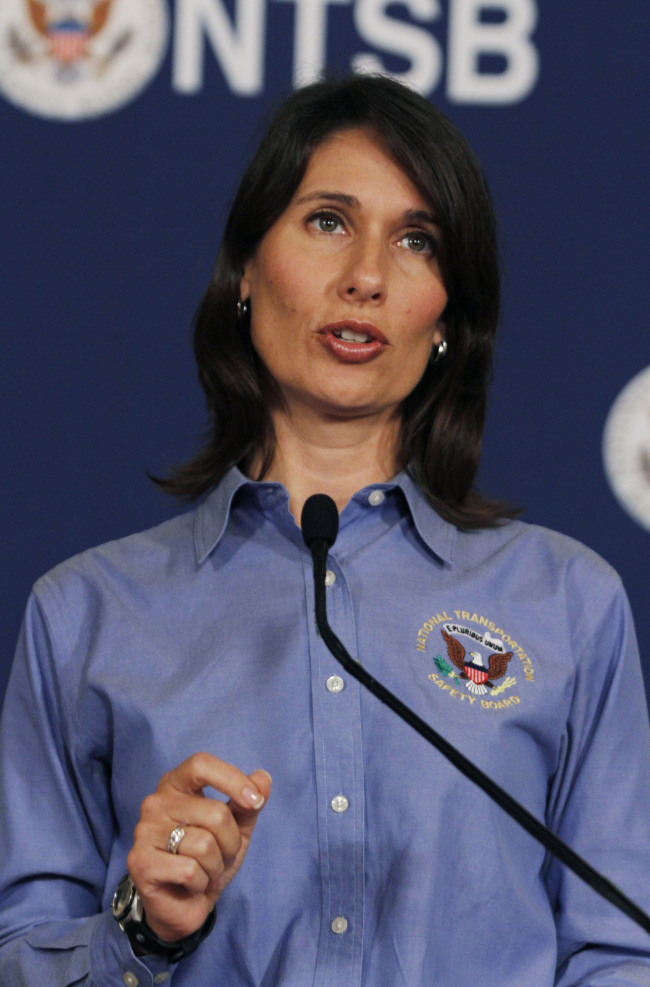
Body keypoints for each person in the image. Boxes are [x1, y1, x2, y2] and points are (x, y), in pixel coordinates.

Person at [1, 75, 649, 986]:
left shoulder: (568, 603)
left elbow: (622, 953)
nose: (367, 276)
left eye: (416, 240)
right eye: (328, 221)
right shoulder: (86, 616)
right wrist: (141, 931)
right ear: (244, 272)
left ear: (448, 322)